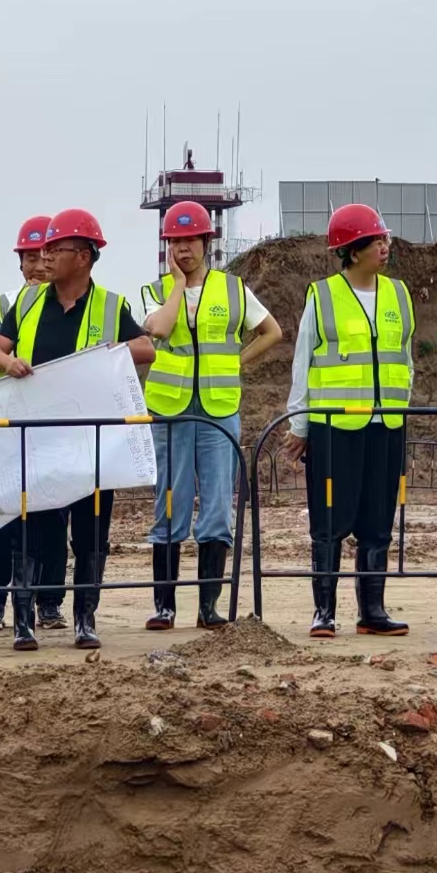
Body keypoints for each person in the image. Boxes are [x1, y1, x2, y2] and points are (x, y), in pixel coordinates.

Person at [0, 208, 154, 651]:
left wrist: (111, 350)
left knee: (90, 533)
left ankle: (85, 619)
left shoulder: (112, 305)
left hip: (92, 442)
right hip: (38, 438)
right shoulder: (27, 303)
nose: (45, 257)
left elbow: (146, 348)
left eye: (55, 249)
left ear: (83, 256)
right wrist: (8, 362)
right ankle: (24, 621)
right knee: (31, 531)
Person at [138, 201, 282, 632]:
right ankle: (164, 607)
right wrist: (179, 286)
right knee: (170, 504)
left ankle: (208, 606)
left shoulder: (233, 289)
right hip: (170, 411)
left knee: (217, 506)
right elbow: (158, 330)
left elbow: (271, 331)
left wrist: (238, 363)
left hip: (219, 411)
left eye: (191, 240)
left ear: (207, 242)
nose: (183, 249)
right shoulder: (154, 290)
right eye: (175, 242)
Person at [283, 203, 414, 637]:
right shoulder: (322, 296)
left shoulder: (399, 294)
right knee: (329, 522)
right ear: (353, 251)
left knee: (378, 521)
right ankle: (324, 612)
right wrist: (300, 425)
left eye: (384, 239)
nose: (385, 246)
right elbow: (303, 363)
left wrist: (402, 406)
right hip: (335, 428)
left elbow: (406, 359)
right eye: (376, 241)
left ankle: (372, 612)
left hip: (387, 425)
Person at [0, 216, 51, 633]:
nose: (37, 265)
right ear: (19, 262)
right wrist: (9, 363)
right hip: (5, 422)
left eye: (44, 256)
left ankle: (49, 602)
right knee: (0, 516)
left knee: (50, 515)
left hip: (50, 425)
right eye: (29, 257)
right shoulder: (5, 303)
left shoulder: (68, 303)